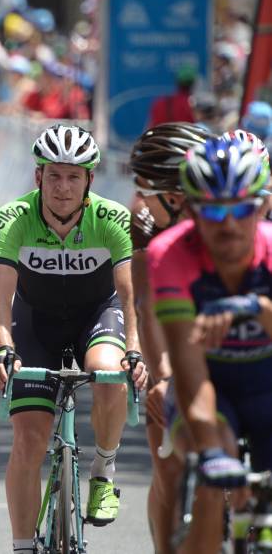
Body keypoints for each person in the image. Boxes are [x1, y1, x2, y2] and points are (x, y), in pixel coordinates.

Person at [0, 124, 148, 554]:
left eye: (73, 177)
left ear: (89, 181)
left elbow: (130, 295)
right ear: (38, 177)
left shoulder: (111, 218)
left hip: (97, 314)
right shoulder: (14, 218)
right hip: (35, 321)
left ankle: (104, 469)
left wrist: (135, 349)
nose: (62, 187)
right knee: (30, 439)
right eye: (54, 175)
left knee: (110, 373)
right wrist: (2, 349)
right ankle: (23, 545)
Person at [148, 136, 272, 554]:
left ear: (262, 206)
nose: (229, 224)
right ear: (191, 211)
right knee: (207, 486)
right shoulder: (169, 255)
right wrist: (211, 450)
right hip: (208, 391)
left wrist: (257, 308)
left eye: (241, 209)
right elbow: (189, 369)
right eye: (214, 210)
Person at [126, 122, 214, 553]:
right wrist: (160, 374)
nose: (138, 201)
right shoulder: (146, 219)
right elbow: (146, 304)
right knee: (169, 469)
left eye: (145, 190)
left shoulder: (236, 211)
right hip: (173, 327)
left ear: (175, 195)